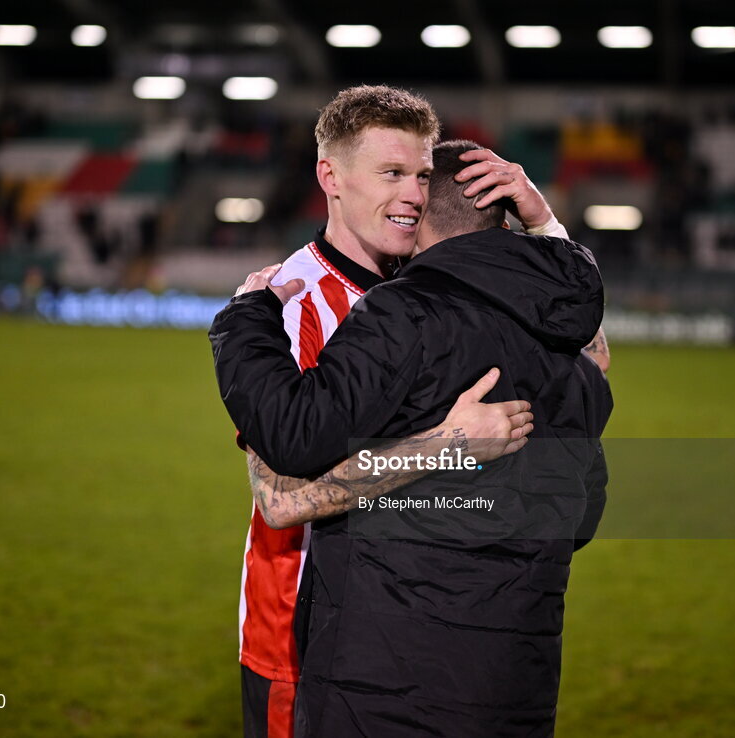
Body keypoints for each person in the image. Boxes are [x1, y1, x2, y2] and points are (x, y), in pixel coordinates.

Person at [211, 140, 612, 736]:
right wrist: (545, 223)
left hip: (376, 672)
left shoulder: (394, 315)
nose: (405, 192)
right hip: (514, 684)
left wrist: (243, 318)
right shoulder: (569, 359)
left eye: (416, 177)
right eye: (393, 172)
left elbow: (283, 498)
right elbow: (591, 364)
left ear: (422, 208)